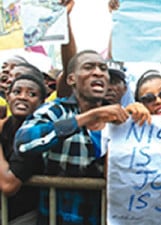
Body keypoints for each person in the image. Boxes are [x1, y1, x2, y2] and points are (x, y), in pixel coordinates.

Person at [14, 50, 151, 225]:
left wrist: (142, 123)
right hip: (61, 219)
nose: (98, 72)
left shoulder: (122, 119)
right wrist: (89, 117)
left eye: (103, 68)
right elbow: (23, 143)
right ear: (71, 79)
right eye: (88, 67)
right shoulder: (56, 111)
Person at [0, 74, 47, 225]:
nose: (23, 97)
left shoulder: (38, 134)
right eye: (17, 92)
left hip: (23, 216)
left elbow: (9, 185)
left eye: (32, 94)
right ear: (8, 96)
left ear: (42, 103)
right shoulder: (4, 127)